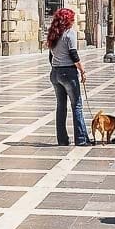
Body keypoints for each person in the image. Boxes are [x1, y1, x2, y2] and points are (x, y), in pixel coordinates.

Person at [46, 8, 90, 147]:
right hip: (68, 73)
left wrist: (56, 66)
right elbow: (74, 55)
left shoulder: (53, 34)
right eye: (72, 18)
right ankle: (81, 139)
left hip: (55, 72)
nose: (74, 21)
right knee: (76, 105)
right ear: (67, 20)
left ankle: (62, 140)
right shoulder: (70, 34)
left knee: (61, 107)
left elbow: (50, 56)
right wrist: (82, 71)